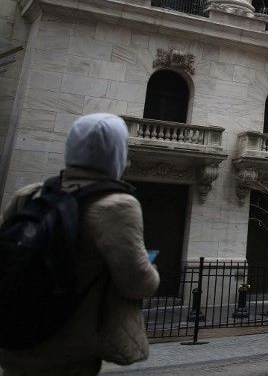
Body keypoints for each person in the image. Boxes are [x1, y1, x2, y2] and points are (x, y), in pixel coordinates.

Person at [0, 113, 160, 375]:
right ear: (117, 153)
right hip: (68, 346)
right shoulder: (117, 205)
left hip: (15, 339)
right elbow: (137, 282)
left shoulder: (29, 194)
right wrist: (152, 270)